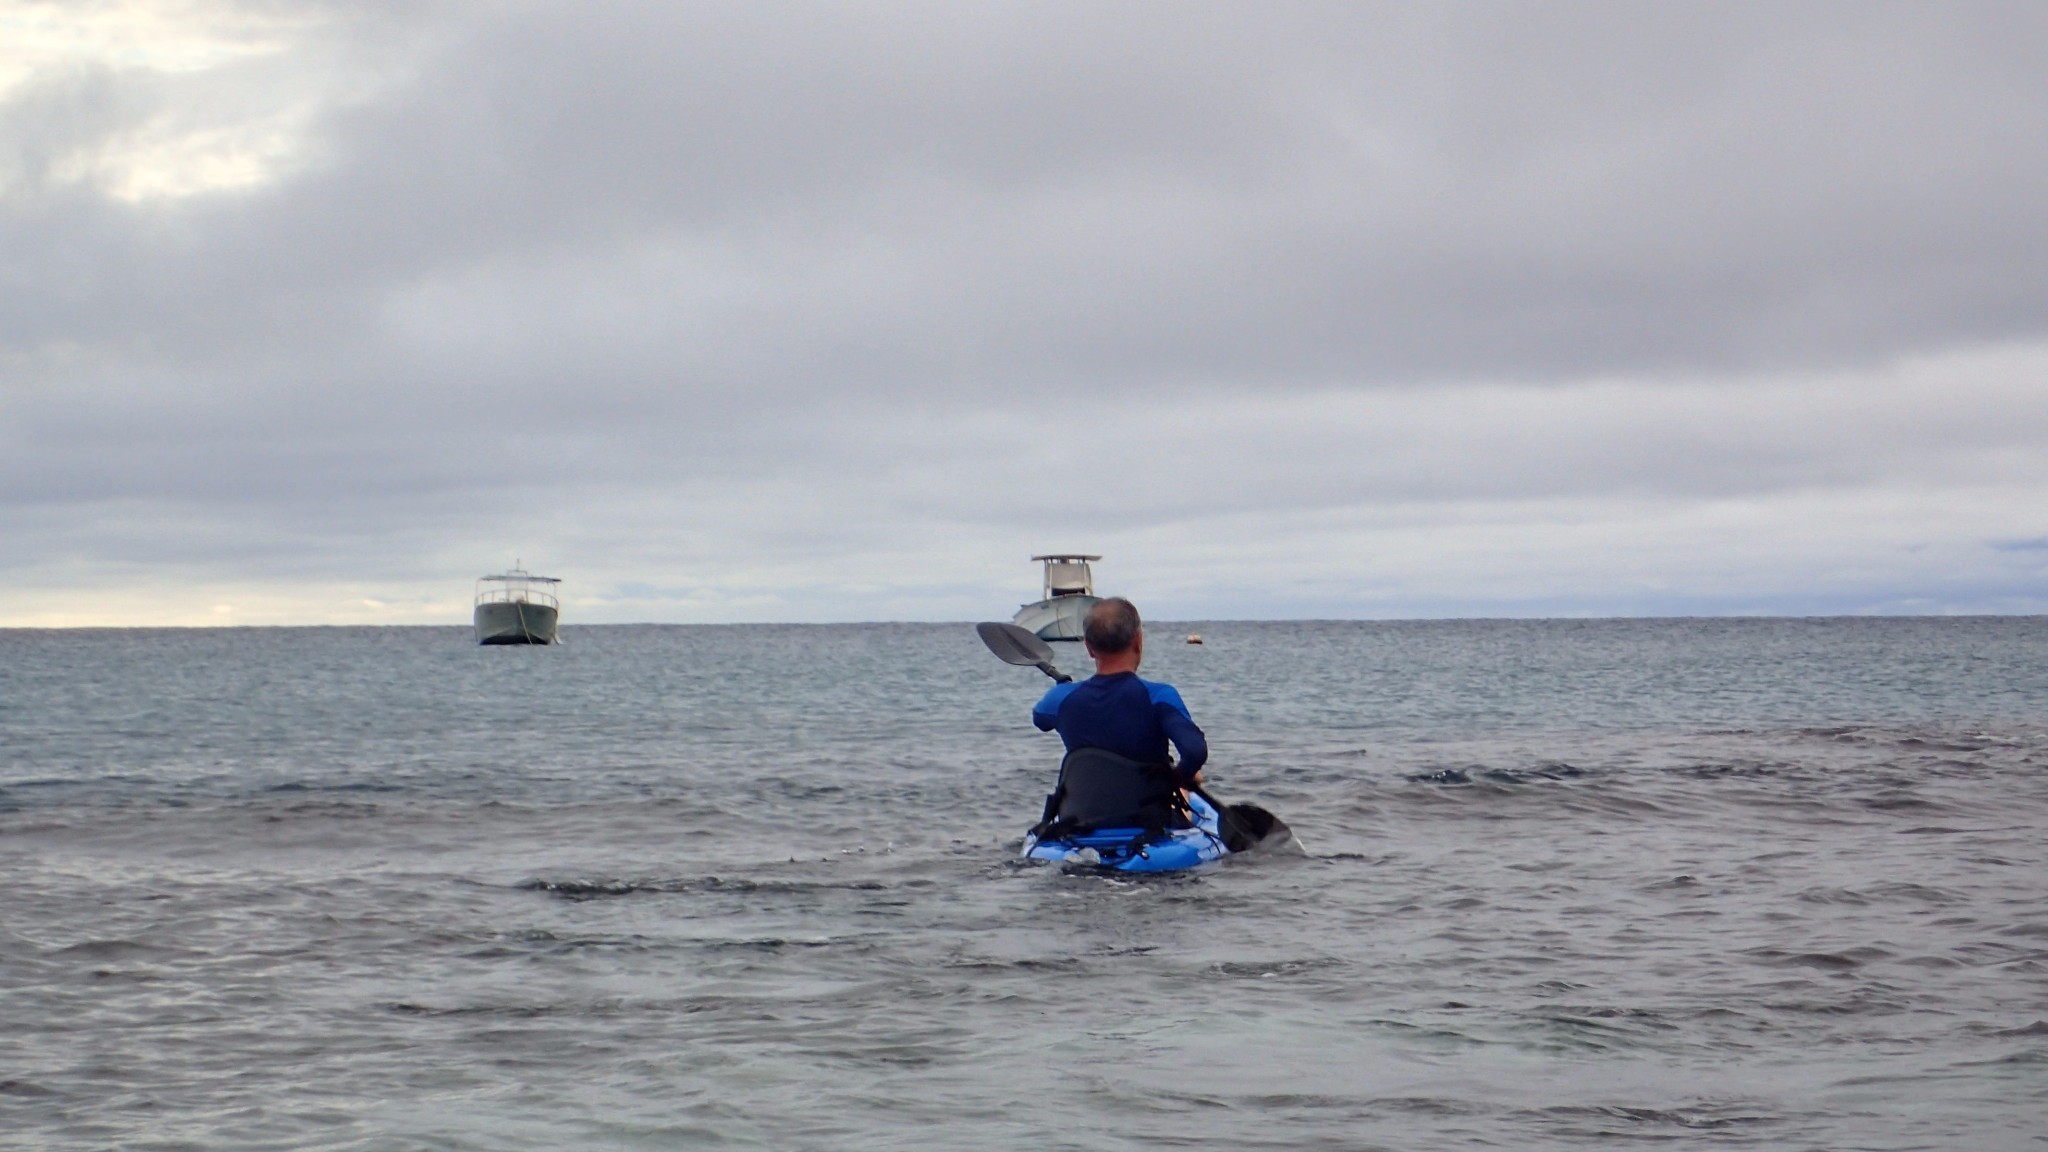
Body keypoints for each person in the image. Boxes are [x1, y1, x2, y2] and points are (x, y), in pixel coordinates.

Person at [1032, 597, 1207, 788]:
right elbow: (1194, 752)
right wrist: (1178, 776)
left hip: (1084, 815)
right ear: (1138, 641)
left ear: (1089, 648)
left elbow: (1040, 719)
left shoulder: (1059, 698)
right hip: (1149, 816)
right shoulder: (1159, 696)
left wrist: (1064, 689)